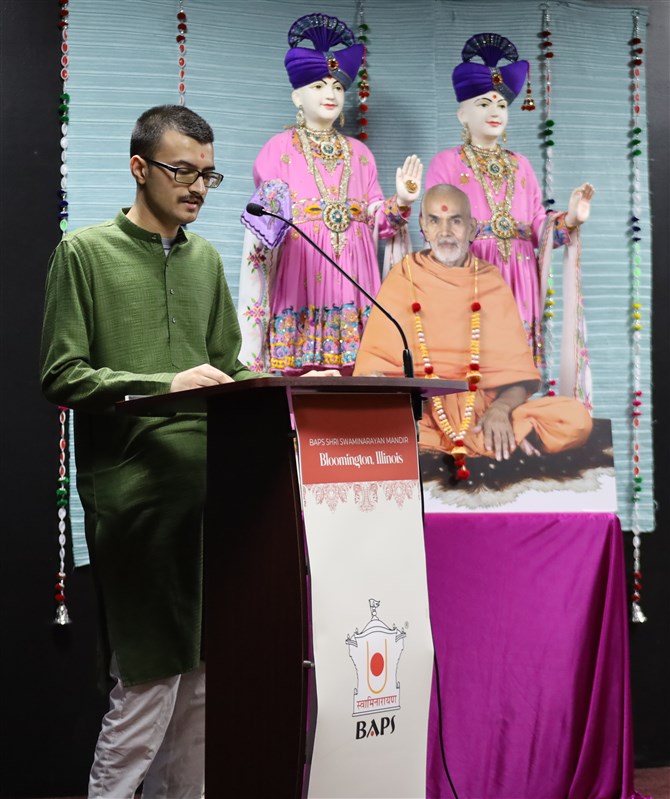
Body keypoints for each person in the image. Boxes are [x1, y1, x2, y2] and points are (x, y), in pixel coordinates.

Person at [40, 105, 261, 799]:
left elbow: (227, 366)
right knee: (148, 684)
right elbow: (62, 374)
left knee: (202, 684)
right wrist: (165, 384)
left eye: (207, 175)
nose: (197, 188)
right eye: (182, 171)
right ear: (140, 168)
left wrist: (287, 388)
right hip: (136, 501)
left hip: (211, 498)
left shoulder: (206, 261)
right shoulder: (85, 253)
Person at [353, 184, 592, 480]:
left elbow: (518, 377)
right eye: (435, 220)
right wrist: (396, 405)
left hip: (482, 412)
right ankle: (506, 442)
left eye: (455, 220)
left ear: (471, 228)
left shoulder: (490, 281)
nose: (445, 232)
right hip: (423, 414)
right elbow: (374, 369)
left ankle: (496, 434)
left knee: (576, 419)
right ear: (423, 226)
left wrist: (501, 409)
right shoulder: (403, 276)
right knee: (362, 423)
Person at [237, 11, 422, 375]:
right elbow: (265, 225)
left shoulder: (360, 154)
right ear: (297, 96)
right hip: (302, 272)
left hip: (355, 276)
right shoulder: (277, 149)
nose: (330, 94)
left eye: (337, 87)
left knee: (359, 374)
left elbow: (379, 221)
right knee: (301, 379)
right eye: (319, 86)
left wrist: (402, 201)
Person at [425, 33, 594, 405]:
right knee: (470, 362)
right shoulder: (446, 163)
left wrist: (569, 220)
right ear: (462, 114)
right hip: (472, 272)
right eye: (484, 103)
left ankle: (510, 413)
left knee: (514, 368)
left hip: (519, 274)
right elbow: (436, 227)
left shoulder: (521, 165)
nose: (495, 112)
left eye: (501, 104)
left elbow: (537, 225)